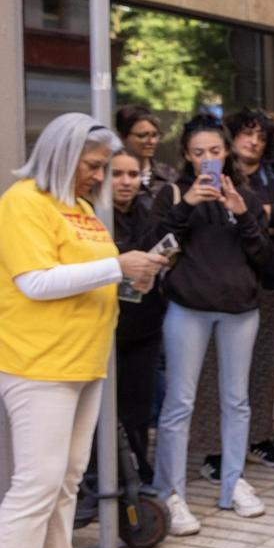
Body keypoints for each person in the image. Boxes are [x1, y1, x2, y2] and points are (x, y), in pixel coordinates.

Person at [0, 113, 166, 548]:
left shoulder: (78, 208)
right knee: (36, 486)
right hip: (39, 364)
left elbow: (81, 277)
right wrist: (118, 265)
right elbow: (35, 283)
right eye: (93, 166)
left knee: (66, 481)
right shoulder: (23, 202)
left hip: (84, 362)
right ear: (63, 155)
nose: (100, 176)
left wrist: (129, 279)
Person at [149, 113, 272, 533]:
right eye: (199, 153)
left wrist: (241, 213)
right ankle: (170, 492)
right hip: (188, 307)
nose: (208, 160)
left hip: (241, 309)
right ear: (186, 155)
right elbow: (155, 245)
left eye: (214, 152)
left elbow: (263, 257)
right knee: (178, 403)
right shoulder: (172, 194)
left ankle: (233, 481)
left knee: (237, 401)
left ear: (227, 152)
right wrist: (187, 205)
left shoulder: (247, 196)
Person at [191, 109, 274, 484]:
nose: (254, 142)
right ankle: (213, 448)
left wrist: (264, 210)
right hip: (221, 284)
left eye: (261, 137)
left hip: (270, 282)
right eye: (247, 134)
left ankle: (258, 438)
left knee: (265, 365)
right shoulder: (212, 175)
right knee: (214, 371)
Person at [110, 150, 166, 483]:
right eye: (117, 174)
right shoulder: (92, 215)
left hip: (144, 326)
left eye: (133, 175)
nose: (126, 182)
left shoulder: (147, 212)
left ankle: (137, 476)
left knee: (138, 409)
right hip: (104, 329)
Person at [115, 105, 177, 196]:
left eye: (155, 135)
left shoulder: (168, 175)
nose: (151, 141)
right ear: (122, 137)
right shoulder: (109, 176)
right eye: (142, 135)